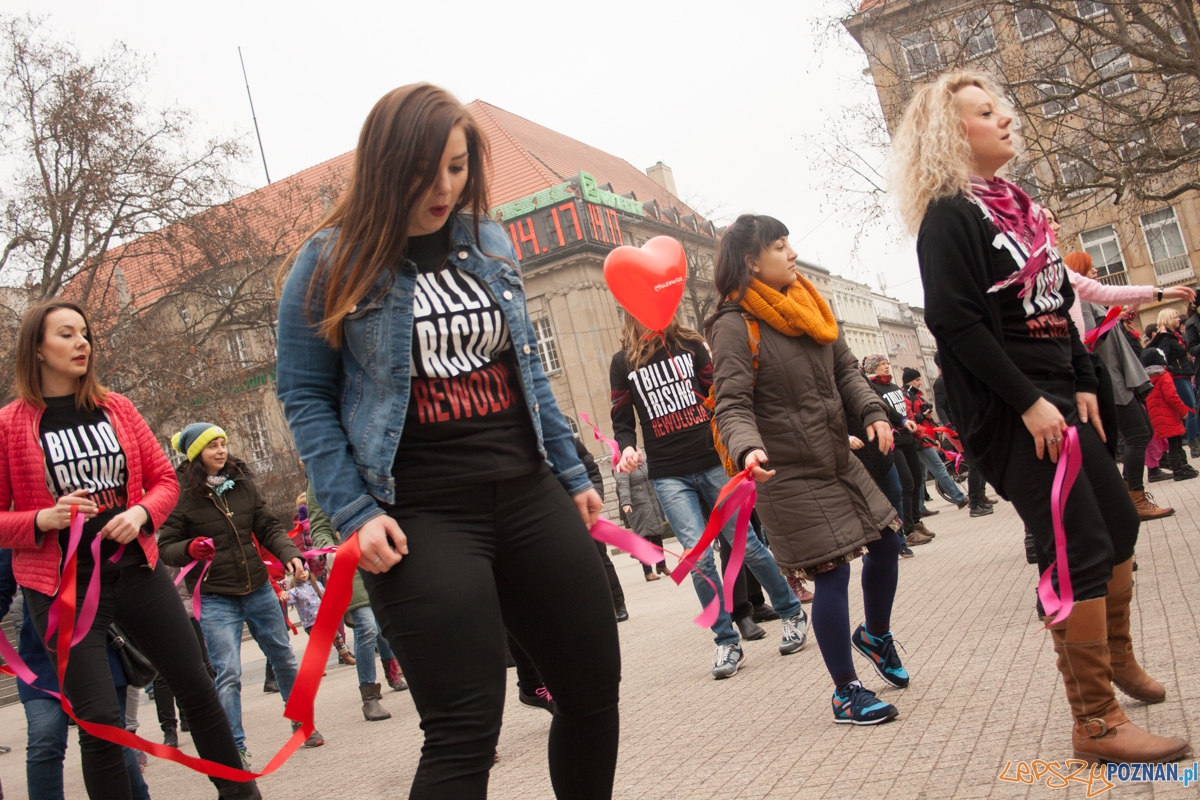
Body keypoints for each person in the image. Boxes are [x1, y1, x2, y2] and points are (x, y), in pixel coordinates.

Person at [275, 83, 620, 799]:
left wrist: (572, 473)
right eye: (424, 172)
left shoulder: (489, 239)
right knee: (464, 731)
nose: (444, 188)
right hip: (420, 515)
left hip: (527, 491)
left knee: (592, 693)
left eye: (457, 168)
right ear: (384, 167)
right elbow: (304, 395)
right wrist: (354, 512)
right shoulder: (328, 260)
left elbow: (527, 368)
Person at [893, 69, 1189, 762]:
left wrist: (1083, 378)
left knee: (1119, 525)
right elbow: (956, 324)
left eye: (1000, 108)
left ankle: (1113, 658)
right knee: (1075, 545)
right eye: (985, 112)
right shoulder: (950, 216)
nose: (1006, 119)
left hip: (1059, 393)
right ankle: (1095, 722)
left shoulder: (1019, 208)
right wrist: (1028, 401)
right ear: (950, 132)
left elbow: (1058, 301)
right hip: (1011, 407)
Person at [0, 301, 256, 800]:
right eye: (66, 334)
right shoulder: (10, 425)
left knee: (197, 686)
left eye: (85, 333)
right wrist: (41, 519)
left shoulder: (117, 407)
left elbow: (164, 481)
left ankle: (241, 794)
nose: (82, 343)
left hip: (138, 570)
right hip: (63, 588)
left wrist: (140, 514)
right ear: (37, 349)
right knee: (99, 721)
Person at [707, 214, 908, 726]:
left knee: (888, 541)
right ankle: (846, 691)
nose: (792, 253)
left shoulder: (810, 304)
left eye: (788, 243)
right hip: (785, 472)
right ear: (752, 261)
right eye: (779, 246)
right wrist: (747, 450)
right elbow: (731, 403)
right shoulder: (734, 324)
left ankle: (875, 636)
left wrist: (873, 411)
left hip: (836, 457)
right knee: (831, 570)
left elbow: (845, 371)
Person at [610, 312, 806, 678]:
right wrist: (627, 449)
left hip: (712, 461)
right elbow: (621, 420)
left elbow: (723, 398)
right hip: (668, 473)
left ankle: (791, 611)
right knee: (698, 559)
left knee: (746, 545)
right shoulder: (622, 363)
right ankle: (726, 642)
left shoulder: (691, 346)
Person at [157, 424, 324, 767]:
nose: (221, 450)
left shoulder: (241, 482)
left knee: (283, 656)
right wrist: (189, 548)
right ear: (196, 454)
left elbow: (268, 526)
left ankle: (302, 721)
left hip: (257, 587)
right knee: (228, 672)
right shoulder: (180, 494)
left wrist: (290, 554)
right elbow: (166, 547)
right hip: (216, 596)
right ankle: (234, 746)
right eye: (212, 446)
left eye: (223, 444)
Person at [0, 549, 151, 800]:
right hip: (41, 658)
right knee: (44, 738)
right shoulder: (20, 530)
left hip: (97, 647)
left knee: (109, 738)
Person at [1060, 250, 1185, 519]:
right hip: (1109, 378)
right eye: (1090, 267)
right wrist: (1110, 320)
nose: (1096, 271)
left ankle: (1130, 498)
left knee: (1140, 433)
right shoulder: (1081, 299)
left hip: (1116, 375)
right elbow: (1087, 340)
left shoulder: (1088, 297)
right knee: (1138, 434)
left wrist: (1119, 316)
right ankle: (1133, 499)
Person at [306, 483, 407, 696]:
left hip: (376, 553)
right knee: (367, 626)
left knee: (383, 626)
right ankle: (369, 693)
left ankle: (392, 672)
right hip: (348, 561)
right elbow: (319, 526)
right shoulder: (318, 477)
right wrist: (329, 550)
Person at [862, 354, 930, 545]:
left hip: (907, 438)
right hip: (894, 442)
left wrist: (915, 428)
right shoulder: (872, 387)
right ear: (872, 368)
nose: (886, 366)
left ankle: (915, 521)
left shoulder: (893, 387)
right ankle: (908, 531)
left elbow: (906, 412)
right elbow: (885, 410)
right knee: (906, 484)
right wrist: (899, 423)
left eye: (887, 363)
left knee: (917, 479)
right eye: (882, 364)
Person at [574, 438, 628, 621]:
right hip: (558, 516)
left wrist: (596, 496)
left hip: (586, 513)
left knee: (600, 560)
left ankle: (618, 603)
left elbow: (593, 472)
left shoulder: (567, 441)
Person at [903, 368, 968, 512]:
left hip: (924, 437)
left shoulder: (915, 396)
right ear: (909, 381)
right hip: (920, 439)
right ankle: (959, 498)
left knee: (920, 475)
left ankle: (919, 508)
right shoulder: (906, 395)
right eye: (917, 380)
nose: (920, 383)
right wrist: (922, 416)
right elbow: (909, 417)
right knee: (939, 468)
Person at [1140, 348, 1199, 481]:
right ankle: (1179, 469)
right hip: (1168, 414)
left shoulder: (1149, 378)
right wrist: (1183, 411)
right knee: (1175, 443)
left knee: (1174, 442)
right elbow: (1171, 396)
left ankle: (1182, 466)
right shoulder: (1164, 375)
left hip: (1158, 415)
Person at [1148, 309, 1199, 458]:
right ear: (1169, 319)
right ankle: (1194, 444)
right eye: (1175, 317)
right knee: (1190, 408)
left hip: (1184, 374)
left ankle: (1195, 439)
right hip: (1177, 376)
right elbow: (1162, 358)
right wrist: (1172, 370)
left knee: (1194, 407)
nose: (1178, 319)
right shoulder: (1166, 338)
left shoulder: (1176, 335)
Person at [613, 448, 671, 581]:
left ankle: (661, 565)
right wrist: (626, 502)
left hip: (651, 504)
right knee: (643, 538)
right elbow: (622, 485)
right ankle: (647, 571)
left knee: (657, 534)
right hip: (637, 507)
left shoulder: (642, 462)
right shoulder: (623, 465)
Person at [1183, 300, 1200, 457]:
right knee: (1193, 408)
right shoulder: (1191, 324)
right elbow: (1192, 349)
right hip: (1196, 370)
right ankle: (1195, 444)